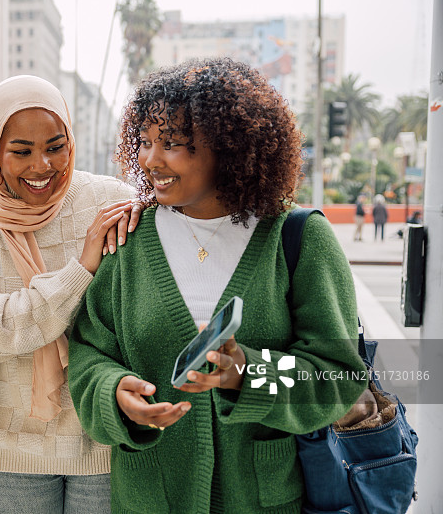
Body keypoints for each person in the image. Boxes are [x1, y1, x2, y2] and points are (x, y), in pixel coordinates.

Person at [67, 58, 367, 513]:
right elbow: (89, 353)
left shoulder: (299, 238)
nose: (150, 160)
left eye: (173, 144)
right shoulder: (127, 237)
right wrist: (114, 394)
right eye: (145, 142)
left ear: (230, 147)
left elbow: (336, 374)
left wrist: (250, 373)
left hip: (262, 499)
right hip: (149, 497)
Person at [0, 75, 140, 514]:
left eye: (56, 146)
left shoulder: (114, 201)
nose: (42, 165)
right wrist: (80, 269)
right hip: (13, 452)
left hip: (105, 442)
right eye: (21, 151)